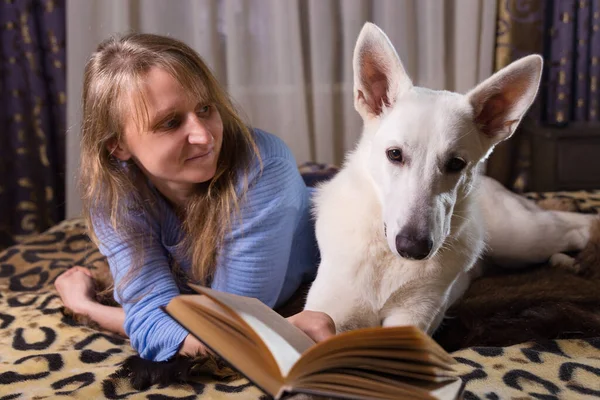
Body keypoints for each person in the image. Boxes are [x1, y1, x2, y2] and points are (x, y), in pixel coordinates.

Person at [54, 32, 335, 362]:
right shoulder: (114, 194)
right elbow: (156, 322)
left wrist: (87, 308)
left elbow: (230, 325)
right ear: (118, 146)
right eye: (171, 122)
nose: (204, 136)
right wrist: (137, 315)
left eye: (205, 108)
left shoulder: (264, 167)